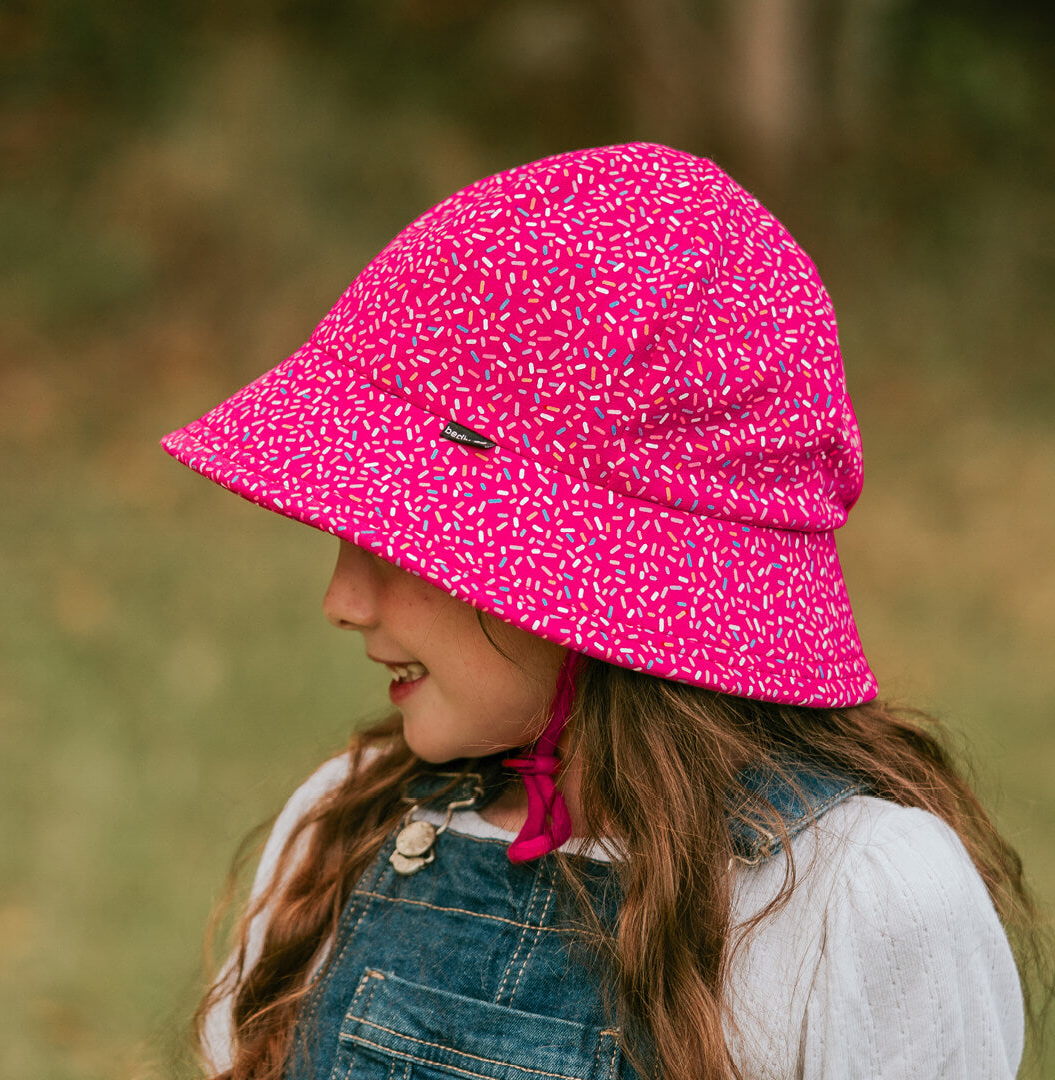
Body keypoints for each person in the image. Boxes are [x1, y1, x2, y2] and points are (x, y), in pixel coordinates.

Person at [161, 142, 1039, 1080]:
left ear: (587, 571)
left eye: (399, 537)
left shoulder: (852, 904)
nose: (342, 602)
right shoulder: (344, 827)